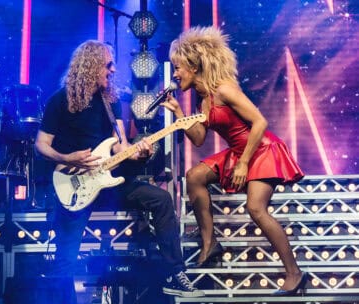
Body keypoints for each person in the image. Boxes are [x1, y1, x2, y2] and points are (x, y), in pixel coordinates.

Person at [34, 40, 205, 301]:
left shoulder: (110, 101)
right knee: (65, 257)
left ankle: (175, 273)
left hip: (109, 181)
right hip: (74, 185)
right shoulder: (59, 101)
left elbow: (120, 145)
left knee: (160, 199)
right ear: (91, 66)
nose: (113, 71)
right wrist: (67, 157)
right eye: (108, 65)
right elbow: (41, 145)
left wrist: (139, 150)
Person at [161, 26, 307, 296]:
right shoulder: (205, 100)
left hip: (261, 150)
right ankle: (210, 242)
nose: (175, 74)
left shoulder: (225, 89)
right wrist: (180, 114)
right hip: (238, 151)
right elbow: (199, 139)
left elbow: (260, 122)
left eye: (178, 67)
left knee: (256, 209)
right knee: (195, 176)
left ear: (193, 67)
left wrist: (243, 164)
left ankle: (294, 274)